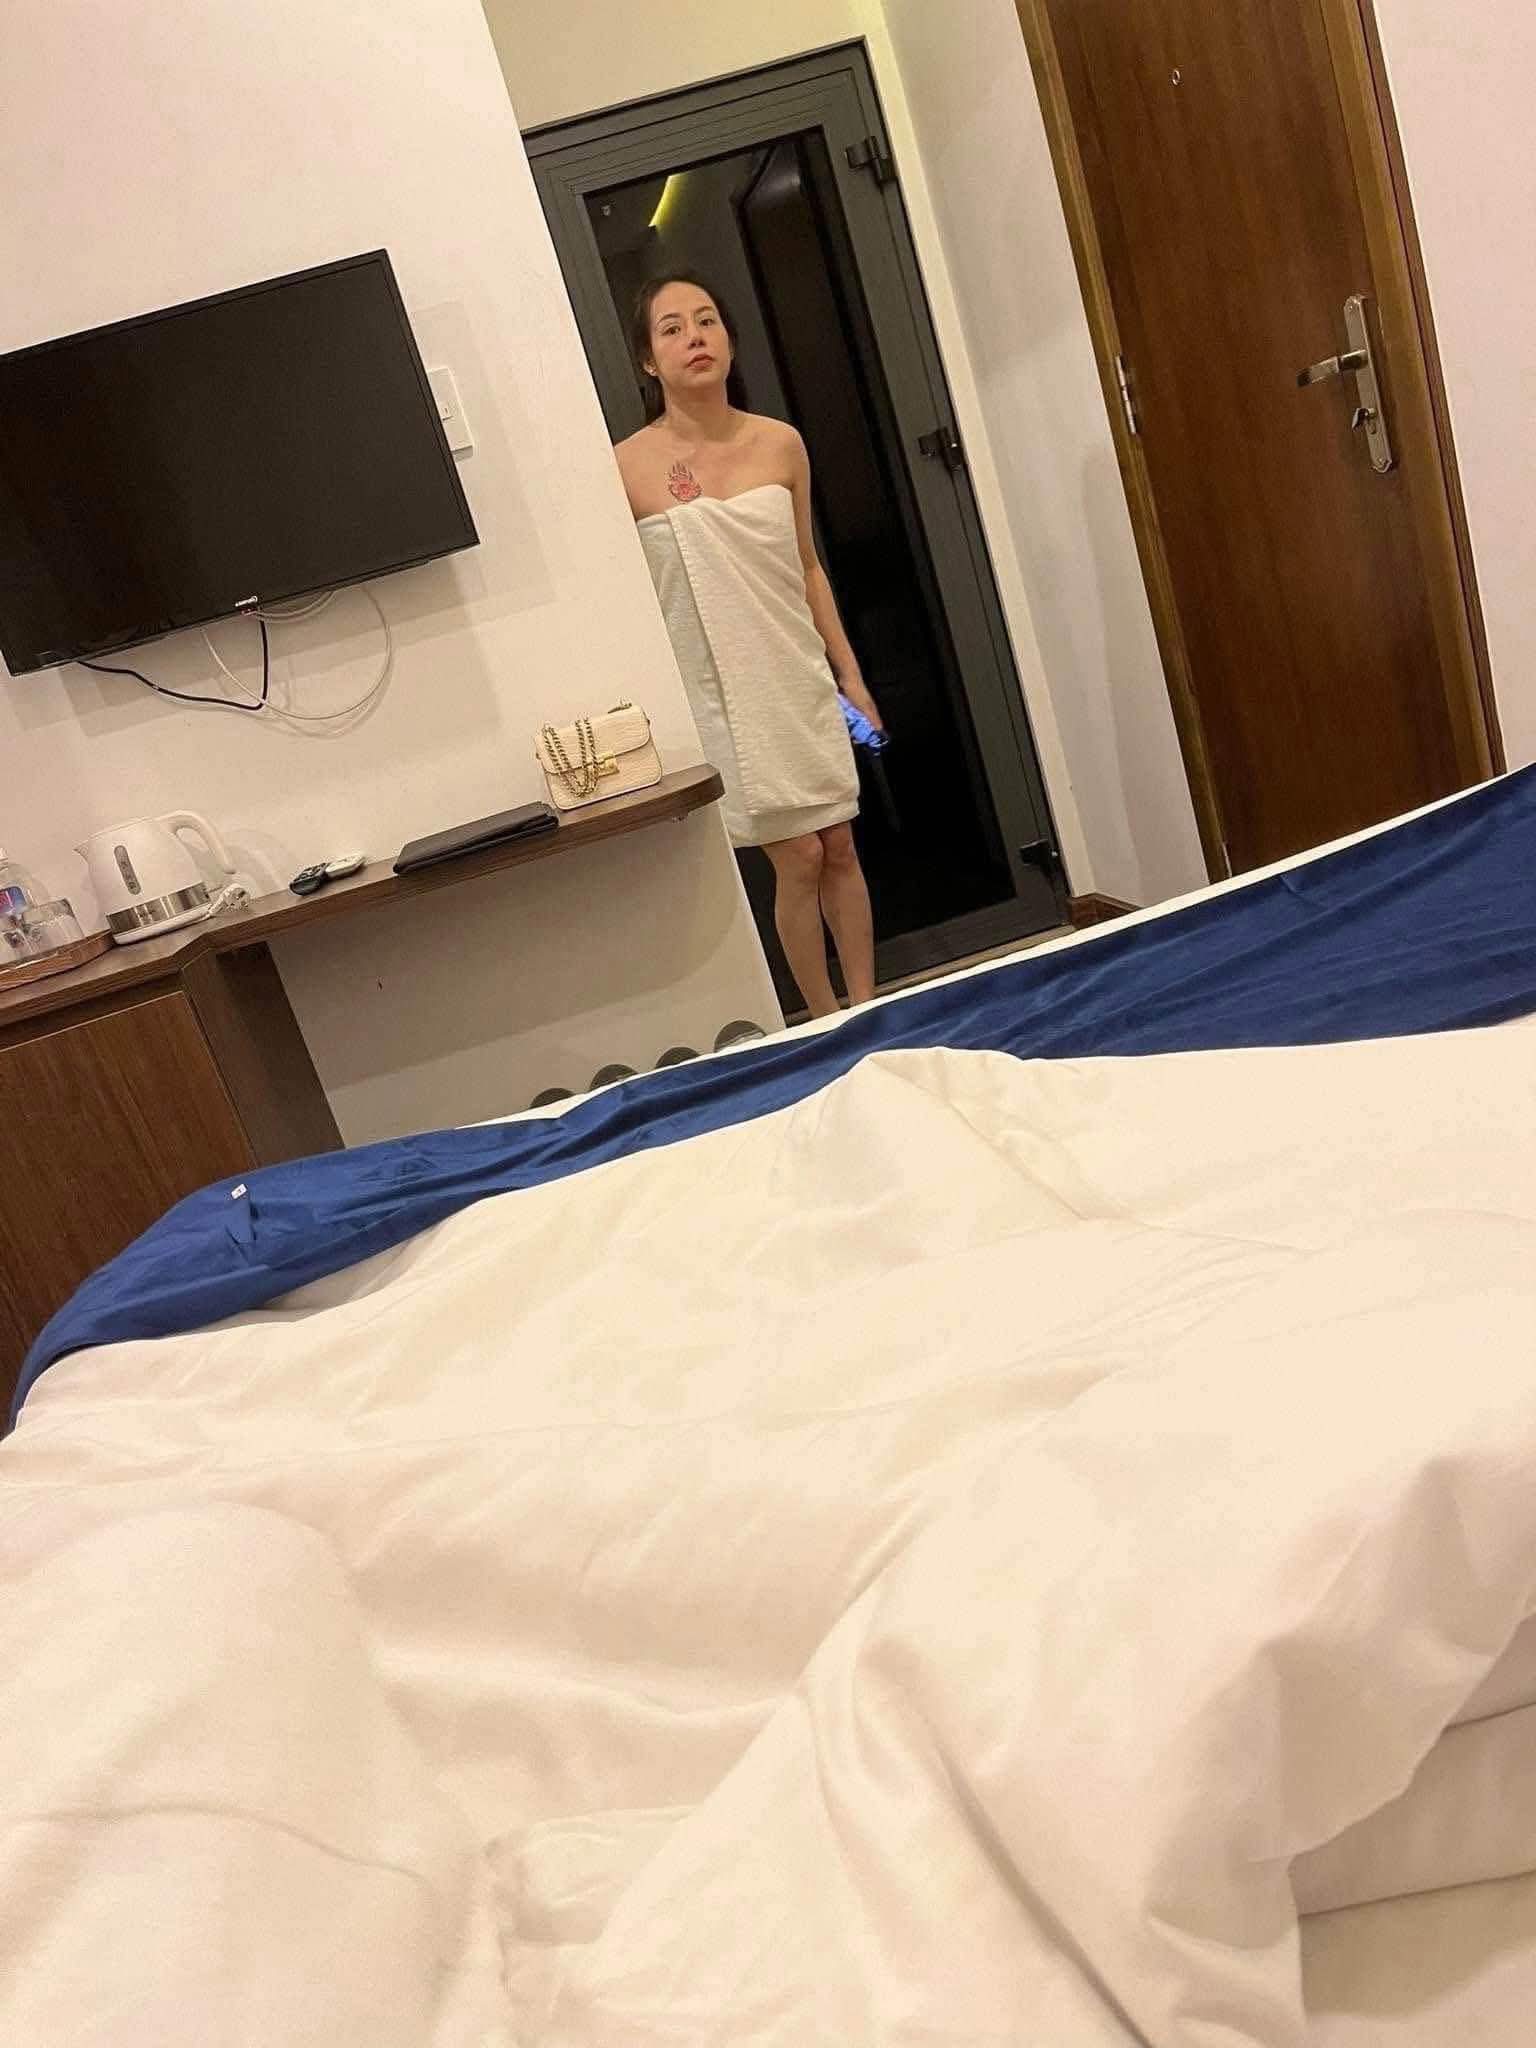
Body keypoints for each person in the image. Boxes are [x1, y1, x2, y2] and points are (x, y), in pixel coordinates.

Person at [615, 272, 884, 1018]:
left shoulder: (780, 443)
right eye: (672, 328)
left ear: (730, 340)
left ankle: (869, 1007)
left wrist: (849, 674)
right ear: (648, 359)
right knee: (798, 856)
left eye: (707, 321)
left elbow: (807, 565)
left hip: (795, 672)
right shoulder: (624, 466)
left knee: (839, 845)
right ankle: (824, 1021)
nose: (694, 338)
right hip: (721, 691)